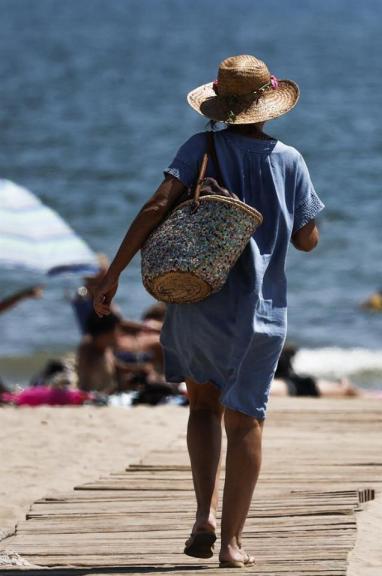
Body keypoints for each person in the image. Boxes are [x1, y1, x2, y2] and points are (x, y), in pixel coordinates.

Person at [92, 55, 323, 568]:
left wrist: (114, 274)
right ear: (268, 105)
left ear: (221, 104)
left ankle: (204, 516)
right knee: (246, 421)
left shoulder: (201, 147)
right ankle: (233, 544)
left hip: (197, 299)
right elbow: (307, 239)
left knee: (202, 407)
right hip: (261, 310)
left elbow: (156, 207)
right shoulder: (290, 160)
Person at [76, 313, 120, 395]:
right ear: (104, 334)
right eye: (114, 331)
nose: (117, 334)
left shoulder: (106, 348)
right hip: (94, 395)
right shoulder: (88, 349)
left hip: (107, 393)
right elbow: (84, 383)